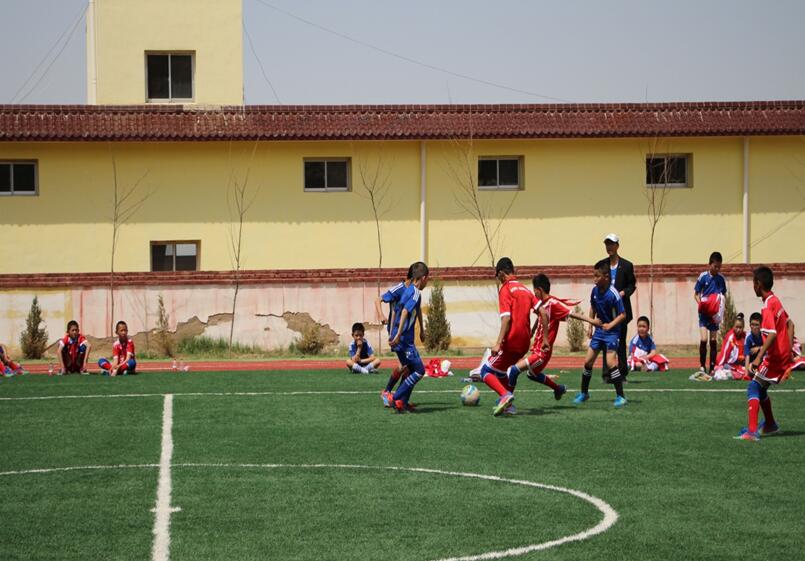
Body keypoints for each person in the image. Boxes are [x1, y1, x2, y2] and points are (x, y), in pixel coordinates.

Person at [506, 273, 598, 403]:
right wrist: (532, 331)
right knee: (531, 375)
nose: (534, 294)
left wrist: (591, 321)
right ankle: (558, 388)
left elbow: (572, 314)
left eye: (535, 291)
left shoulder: (553, 303)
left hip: (542, 352)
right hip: (537, 350)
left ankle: (506, 401)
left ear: (540, 290)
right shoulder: (542, 304)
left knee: (514, 370)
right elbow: (541, 318)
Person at [476, 258, 541, 417]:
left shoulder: (505, 289)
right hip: (525, 343)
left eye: (497, 276)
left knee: (485, 372)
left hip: (511, 341)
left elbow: (506, 318)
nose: (498, 279)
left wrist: (498, 343)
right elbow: (543, 313)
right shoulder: (525, 290)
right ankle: (509, 407)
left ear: (501, 274)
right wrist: (542, 337)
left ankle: (505, 395)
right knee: (501, 371)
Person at [737, 266, 795, 441]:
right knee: (761, 389)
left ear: (758, 284)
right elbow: (790, 324)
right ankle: (770, 424)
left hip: (774, 358)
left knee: (753, 386)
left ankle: (752, 431)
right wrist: (789, 351)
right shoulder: (776, 300)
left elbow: (772, 334)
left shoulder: (768, 305)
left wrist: (758, 358)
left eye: (753, 283)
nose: (752, 286)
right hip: (782, 355)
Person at [574, 262, 628, 407]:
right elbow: (593, 306)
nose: (594, 279)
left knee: (610, 363)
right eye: (593, 276)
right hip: (599, 332)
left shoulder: (613, 294)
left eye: (597, 276)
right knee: (587, 362)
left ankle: (621, 396)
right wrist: (591, 325)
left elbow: (623, 315)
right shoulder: (595, 291)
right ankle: (584, 394)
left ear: (606, 277)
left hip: (612, 333)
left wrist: (610, 325)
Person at [377, 263, 426, 406]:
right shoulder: (408, 290)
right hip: (403, 338)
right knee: (417, 370)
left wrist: (422, 330)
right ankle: (393, 396)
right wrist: (396, 334)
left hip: (400, 335)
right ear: (423, 278)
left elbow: (412, 310)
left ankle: (401, 401)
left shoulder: (410, 290)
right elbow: (403, 311)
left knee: (407, 368)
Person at [595, 234, 636, 379]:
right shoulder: (602, 264)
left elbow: (632, 285)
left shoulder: (626, 265)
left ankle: (622, 373)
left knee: (620, 341)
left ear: (617, 246)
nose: (609, 247)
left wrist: (623, 293)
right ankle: (607, 374)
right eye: (607, 244)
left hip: (621, 309)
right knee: (606, 342)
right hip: (605, 311)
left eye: (611, 244)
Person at [694, 251, 727, 376]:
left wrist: (720, 309)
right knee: (704, 339)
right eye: (715, 266)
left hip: (714, 314)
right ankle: (702, 366)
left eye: (719, 267)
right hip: (704, 313)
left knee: (713, 340)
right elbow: (696, 294)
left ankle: (712, 367)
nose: (717, 269)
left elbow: (723, 296)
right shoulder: (703, 277)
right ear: (709, 264)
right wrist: (702, 304)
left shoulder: (721, 279)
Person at [710, 314, 748, 381]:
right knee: (722, 374)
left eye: (740, 327)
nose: (738, 330)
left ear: (743, 327)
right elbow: (724, 354)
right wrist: (718, 366)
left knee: (749, 371)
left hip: (740, 365)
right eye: (736, 327)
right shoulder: (730, 337)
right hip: (729, 365)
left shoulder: (745, 336)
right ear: (733, 326)